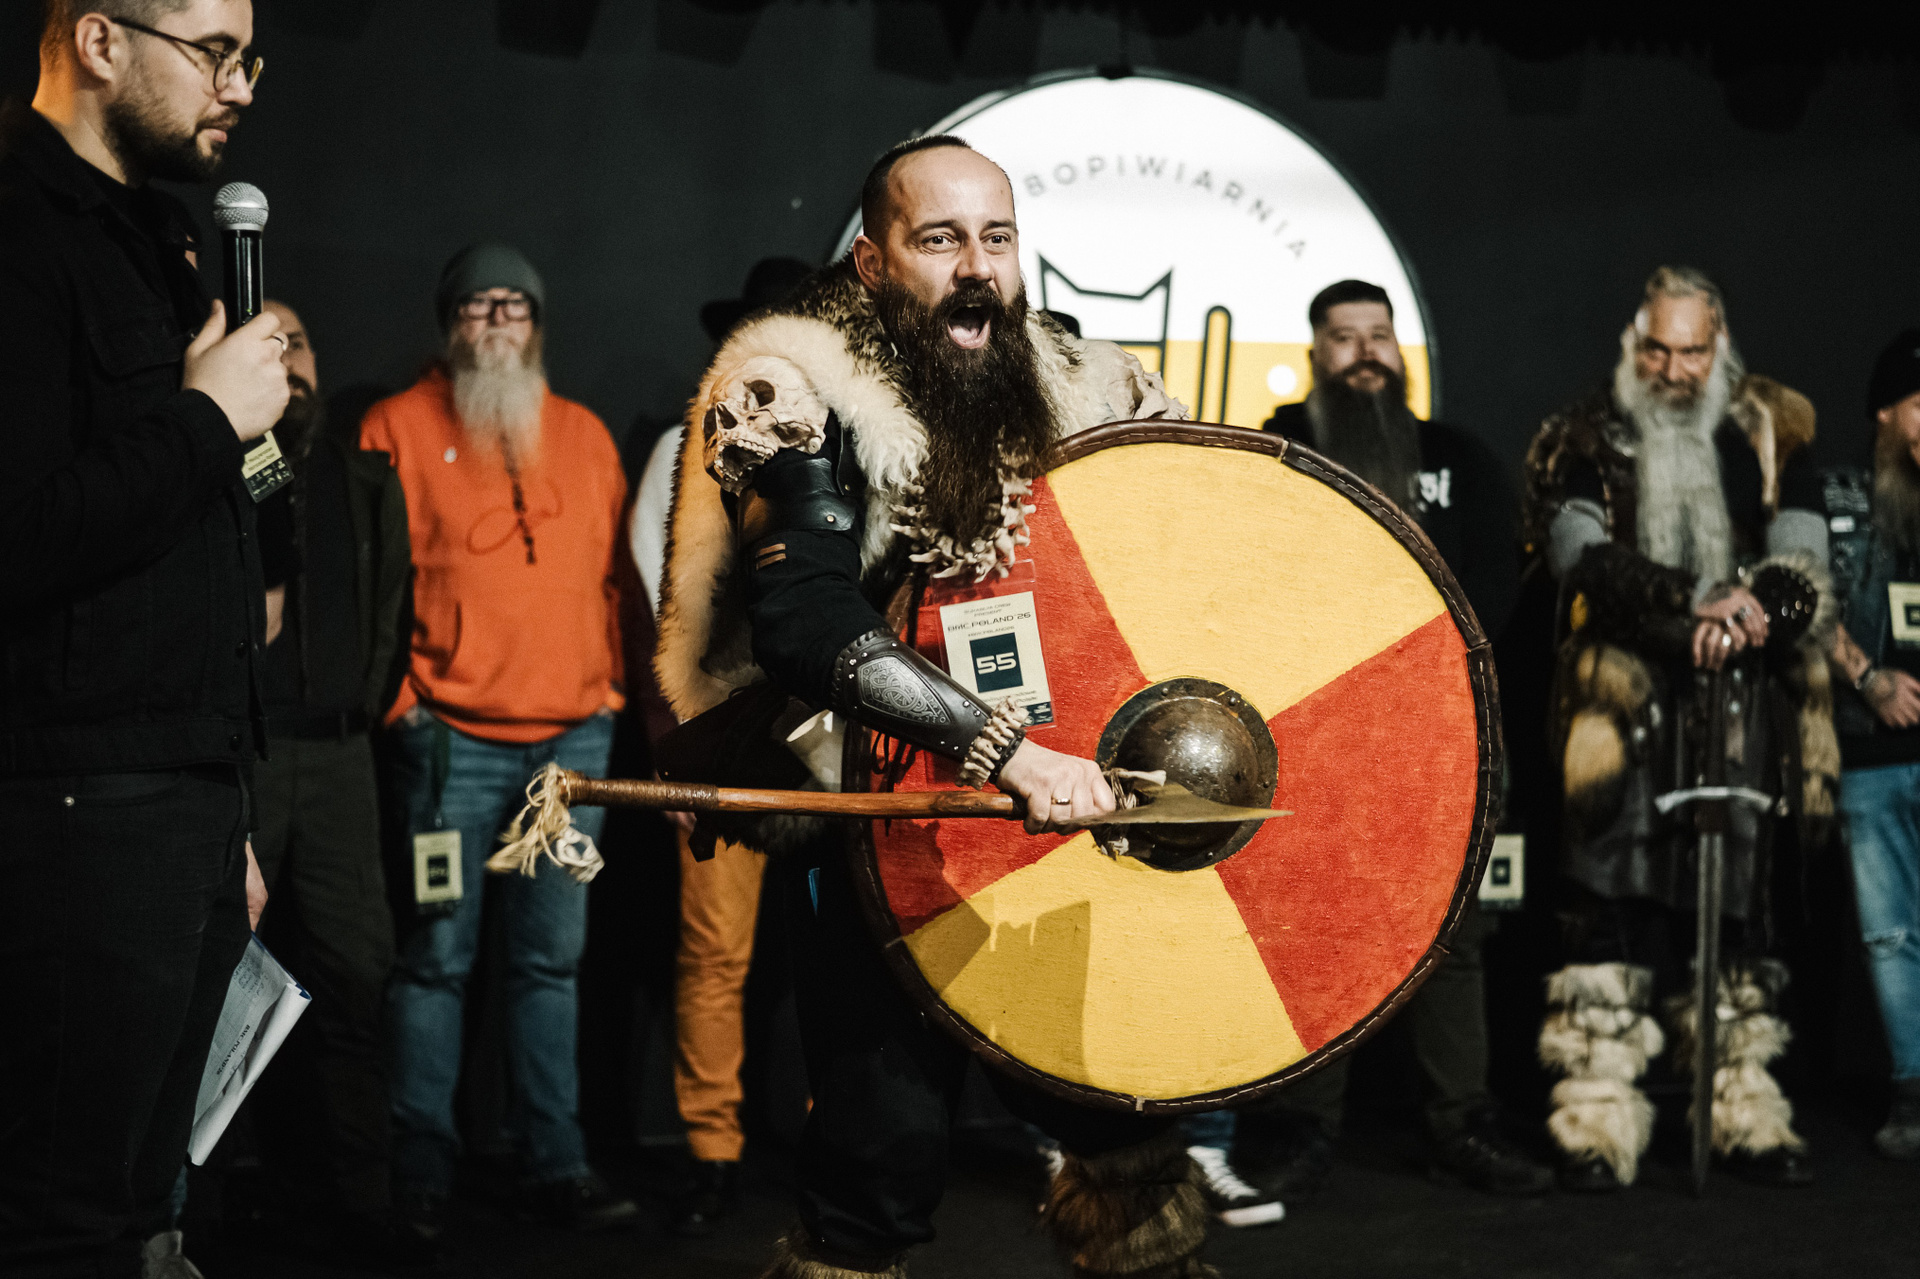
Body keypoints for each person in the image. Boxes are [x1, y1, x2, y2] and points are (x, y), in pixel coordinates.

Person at [654, 136, 1203, 1277]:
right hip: (876, 822)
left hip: (1060, 823)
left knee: (1123, 1127)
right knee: (879, 1160)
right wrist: (1008, 752)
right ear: (873, 261)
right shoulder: (794, 385)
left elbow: (1183, 554)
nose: (975, 268)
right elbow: (804, 620)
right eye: (940, 239)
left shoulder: (1092, 382)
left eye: (996, 238)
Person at [0, 2, 291, 1275]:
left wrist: (226, 816)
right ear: (101, 42)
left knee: (144, 1210)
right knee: (61, 1218)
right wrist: (205, 419)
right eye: (213, 52)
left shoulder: (162, 240)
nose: (240, 85)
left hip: (179, 798)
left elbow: (183, 554)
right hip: (79, 810)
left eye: (248, 56)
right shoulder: (18, 231)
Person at [1519, 266, 1835, 1191]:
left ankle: (1743, 1111)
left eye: (1691, 351)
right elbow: (1580, 556)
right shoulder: (1583, 435)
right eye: (1656, 349)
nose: (1672, 369)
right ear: (1634, 341)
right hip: (1617, 700)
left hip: (1742, 699)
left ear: (1718, 343)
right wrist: (1690, 604)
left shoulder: (1772, 433)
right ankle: (1596, 1120)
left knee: (1739, 910)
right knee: (1606, 904)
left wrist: (1749, 615)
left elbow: (1805, 558)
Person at [359, 244, 636, 1236]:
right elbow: (363, 583)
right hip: (449, 744)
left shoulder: (586, 433)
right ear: (451, 321)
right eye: (478, 304)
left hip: (573, 749)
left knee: (551, 963)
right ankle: (420, 1172)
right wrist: (401, 705)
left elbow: (618, 580)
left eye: (515, 304)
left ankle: (554, 1160)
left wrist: (608, 692)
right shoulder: (394, 424)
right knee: (434, 960)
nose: (497, 319)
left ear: (538, 323)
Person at [1253, 279, 1545, 1197]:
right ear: (1316, 354)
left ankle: (1462, 1123)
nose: (1365, 353)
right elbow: (1246, 577)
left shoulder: (1458, 457)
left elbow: (1499, 584)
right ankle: (1303, 1130)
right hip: (1313, 733)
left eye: (1378, 335)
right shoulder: (1279, 451)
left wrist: (1421, 674)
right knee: (1321, 931)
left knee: (1455, 934)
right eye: (1344, 338)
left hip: (1445, 734)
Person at [241, 299, 428, 1261]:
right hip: (244, 757)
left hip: (342, 760)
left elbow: (392, 609)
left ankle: (362, 1202)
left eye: (299, 341)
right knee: (217, 989)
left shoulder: (364, 479)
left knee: (357, 980)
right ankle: (199, 1210)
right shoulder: (213, 467)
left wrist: (365, 706)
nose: (287, 358)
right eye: (267, 340)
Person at [636, 256, 813, 1236]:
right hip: (725, 738)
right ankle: (712, 1148)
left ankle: (836, 1133)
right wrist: (676, 751)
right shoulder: (682, 450)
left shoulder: (848, 446)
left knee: (839, 950)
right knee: (716, 952)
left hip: (829, 741)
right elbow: (651, 610)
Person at [1820, 328, 1920, 1161]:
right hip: (1872, 756)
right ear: (1884, 412)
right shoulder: (1836, 496)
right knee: (1891, 935)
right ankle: (1912, 1088)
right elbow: (1802, 599)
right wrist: (1869, 680)